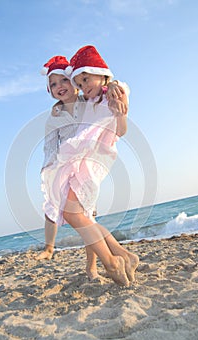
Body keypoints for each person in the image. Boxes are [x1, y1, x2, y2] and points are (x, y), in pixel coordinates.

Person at [36, 55, 129, 281]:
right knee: (86, 219)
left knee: (85, 217)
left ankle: (101, 265)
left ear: (74, 82)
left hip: (89, 166)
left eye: (63, 81)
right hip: (66, 169)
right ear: (49, 91)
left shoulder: (88, 102)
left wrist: (114, 84)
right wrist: (50, 173)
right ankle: (117, 258)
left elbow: (104, 91)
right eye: (53, 84)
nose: (59, 87)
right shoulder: (53, 118)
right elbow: (49, 147)